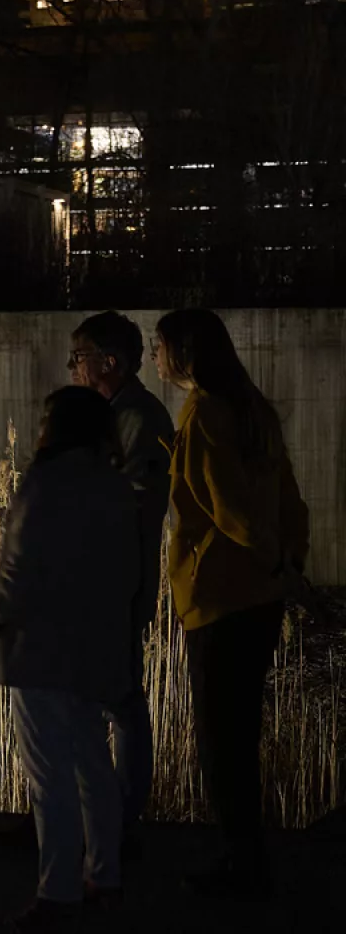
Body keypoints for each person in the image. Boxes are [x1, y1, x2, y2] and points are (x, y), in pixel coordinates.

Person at [0, 312, 177, 854]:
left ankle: (118, 821)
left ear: (109, 362)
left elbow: (133, 506)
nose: (72, 368)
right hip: (94, 585)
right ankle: (97, 819)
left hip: (110, 586)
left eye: (79, 357)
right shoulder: (114, 416)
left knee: (118, 703)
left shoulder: (137, 420)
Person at [0, 387, 141, 933]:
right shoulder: (116, 486)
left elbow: (16, 570)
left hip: (41, 647)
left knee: (49, 774)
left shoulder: (44, 483)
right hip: (95, 646)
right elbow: (130, 571)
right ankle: (105, 877)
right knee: (93, 762)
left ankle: (57, 894)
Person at [154, 309, 308, 900]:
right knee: (238, 733)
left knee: (222, 738)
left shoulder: (205, 413)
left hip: (221, 595)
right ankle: (247, 859)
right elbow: (289, 499)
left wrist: (273, 560)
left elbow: (230, 510)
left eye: (160, 346)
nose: (155, 357)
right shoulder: (253, 409)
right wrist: (289, 562)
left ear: (185, 354)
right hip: (259, 595)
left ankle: (240, 866)